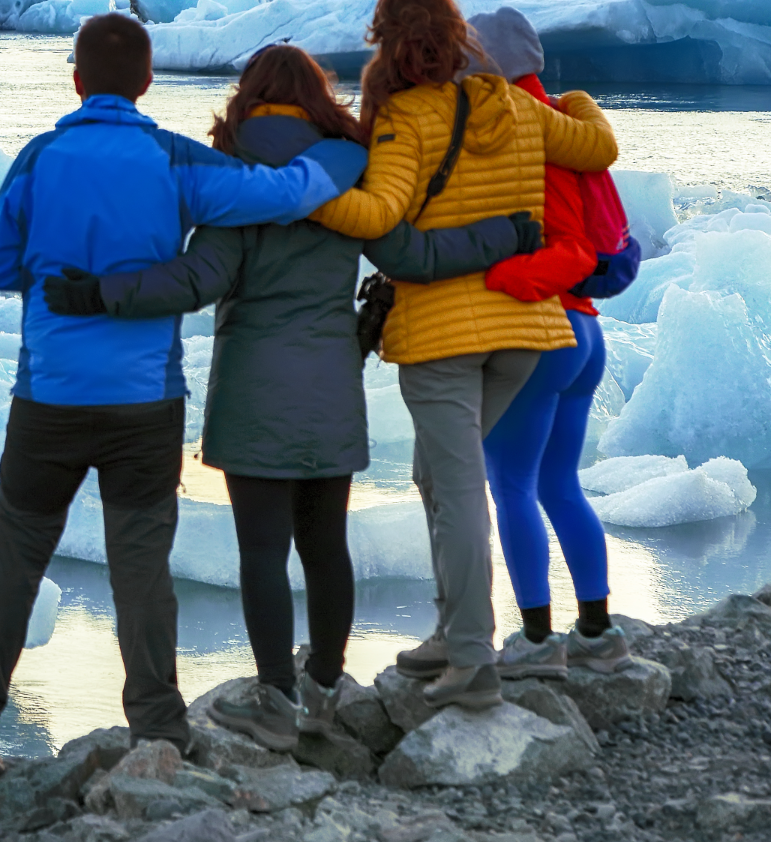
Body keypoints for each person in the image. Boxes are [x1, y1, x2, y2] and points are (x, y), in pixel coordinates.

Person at [80, 43, 540, 750]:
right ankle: (323, 688)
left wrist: (106, 288)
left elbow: (198, 280)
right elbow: (417, 254)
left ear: (248, 98)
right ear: (318, 98)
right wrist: (505, 232)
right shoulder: (347, 179)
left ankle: (274, 697)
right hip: (331, 381)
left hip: (252, 392)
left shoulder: (236, 180)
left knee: (262, 551)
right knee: (326, 547)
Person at [0, 13, 368, 782]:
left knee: (14, 563)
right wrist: (348, 151)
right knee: (141, 572)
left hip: (49, 398)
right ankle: (160, 729)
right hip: (144, 404)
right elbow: (280, 194)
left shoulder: (38, 158)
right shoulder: (173, 159)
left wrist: (57, 268)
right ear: (147, 82)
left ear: (76, 80)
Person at [307, 0, 617, 712]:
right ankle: (452, 630)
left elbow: (379, 212)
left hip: (444, 335)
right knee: (432, 474)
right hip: (526, 331)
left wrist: (303, 192)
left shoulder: (403, 117)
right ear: (456, 37)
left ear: (389, 41)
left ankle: (474, 658)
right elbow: (598, 145)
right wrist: (571, 98)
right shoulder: (515, 104)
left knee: (456, 489)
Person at [467, 8, 631, 677]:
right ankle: (597, 628)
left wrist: (494, 274)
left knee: (511, 485)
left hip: (543, 330)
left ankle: (536, 643)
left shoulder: (518, 134)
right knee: (561, 483)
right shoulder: (571, 123)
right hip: (587, 331)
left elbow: (563, 247)